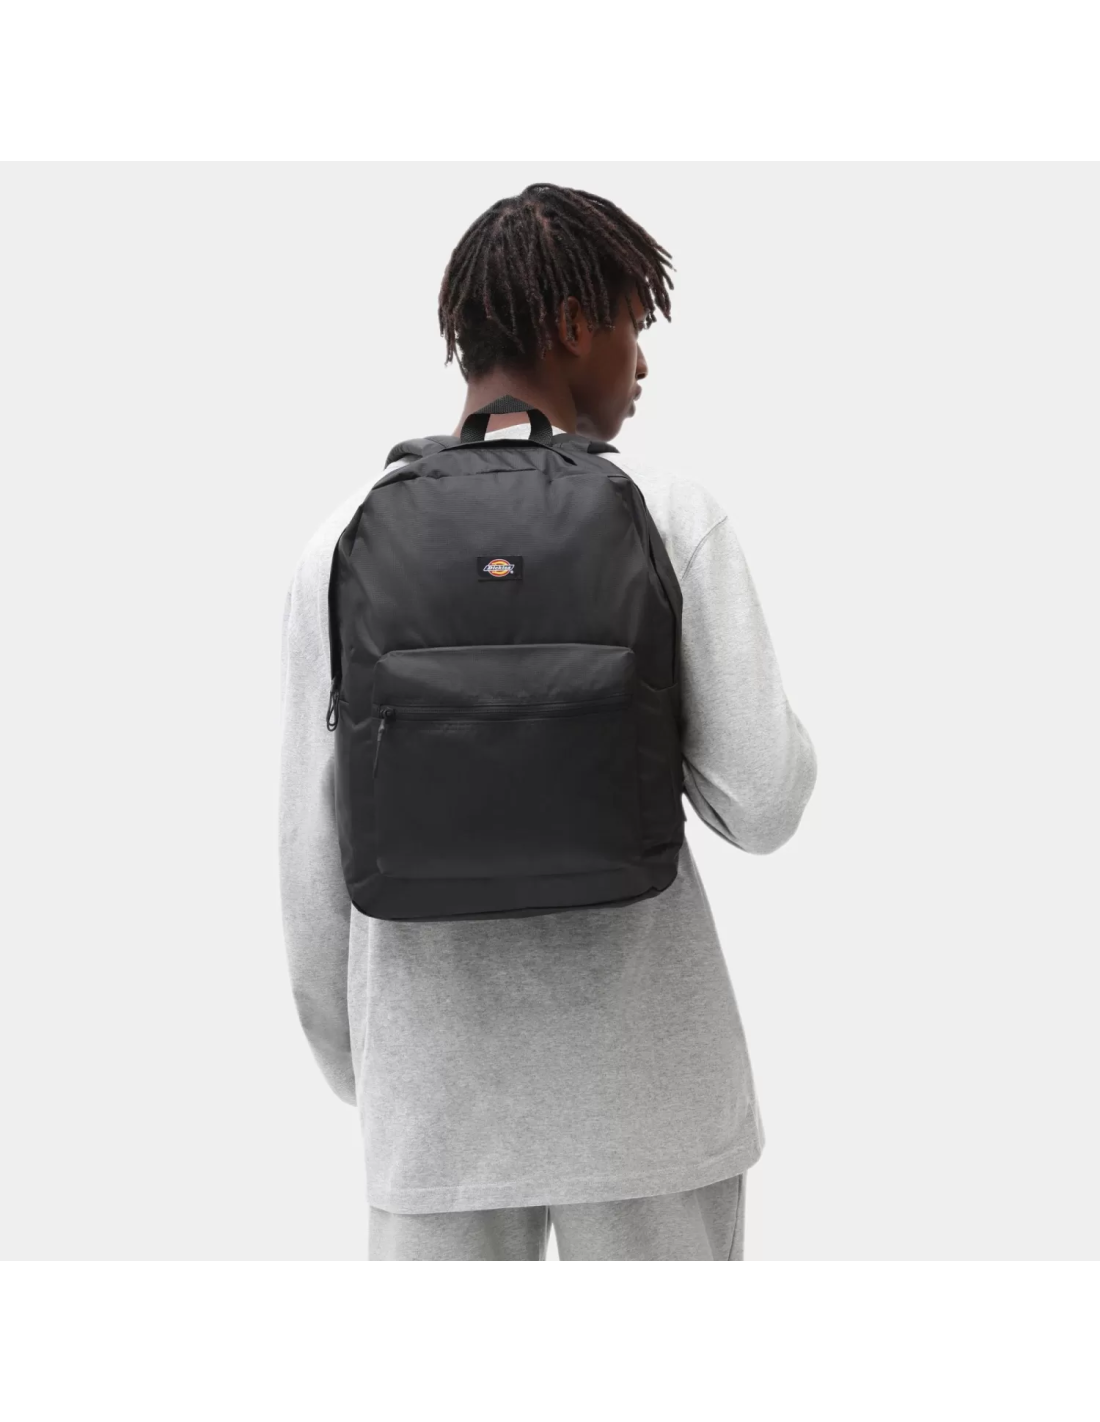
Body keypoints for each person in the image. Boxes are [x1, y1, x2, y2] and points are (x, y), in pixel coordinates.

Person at [279, 182, 817, 1261]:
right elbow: (763, 801)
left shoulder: (341, 539)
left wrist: (363, 1071)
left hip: (434, 1107)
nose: (641, 363)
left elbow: (311, 851)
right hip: (652, 1101)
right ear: (574, 324)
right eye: (632, 324)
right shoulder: (668, 512)